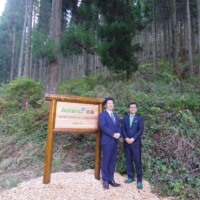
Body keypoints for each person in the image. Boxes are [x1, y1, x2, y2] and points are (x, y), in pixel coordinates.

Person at [99, 97, 121, 189]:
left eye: (112, 103)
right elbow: (103, 126)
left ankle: (111, 179)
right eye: (109, 103)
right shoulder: (102, 115)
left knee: (112, 161)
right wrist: (113, 134)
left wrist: (119, 133)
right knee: (106, 161)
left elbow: (119, 126)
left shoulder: (115, 115)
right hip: (107, 141)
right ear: (105, 105)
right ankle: (105, 180)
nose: (111, 104)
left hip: (115, 141)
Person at [121, 102, 144, 189]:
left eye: (134, 107)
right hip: (127, 143)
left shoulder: (139, 118)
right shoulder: (125, 118)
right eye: (131, 107)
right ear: (129, 109)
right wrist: (126, 138)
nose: (133, 109)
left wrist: (133, 138)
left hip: (136, 144)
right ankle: (131, 177)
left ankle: (139, 181)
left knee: (137, 162)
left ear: (136, 109)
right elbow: (122, 129)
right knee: (128, 161)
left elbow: (140, 129)